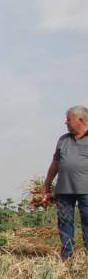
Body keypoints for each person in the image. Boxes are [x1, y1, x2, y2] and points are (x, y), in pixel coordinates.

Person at [42, 106, 88, 260]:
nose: (66, 123)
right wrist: (46, 184)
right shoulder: (63, 139)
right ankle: (67, 255)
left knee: (87, 220)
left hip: (86, 190)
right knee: (64, 221)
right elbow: (55, 164)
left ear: (80, 121)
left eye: (69, 120)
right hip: (64, 189)